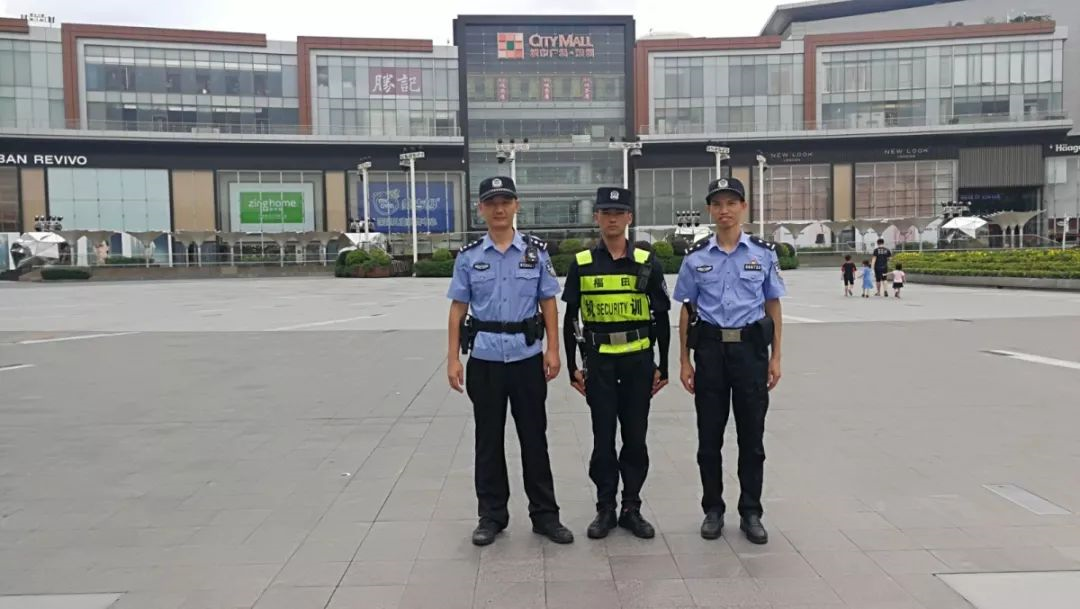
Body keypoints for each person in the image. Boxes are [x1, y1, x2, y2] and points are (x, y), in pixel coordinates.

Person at [446, 176, 574, 547]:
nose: (499, 209)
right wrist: (453, 358)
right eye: (491, 203)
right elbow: (458, 309)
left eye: (505, 202)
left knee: (534, 439)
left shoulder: (535, 252)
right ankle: (491, 516)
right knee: (487, 441)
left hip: (526, 358)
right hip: (485, 360)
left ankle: (545, 515)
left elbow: (548, 302)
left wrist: (553, 350)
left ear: (516, 205)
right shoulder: (470, 257)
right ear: (481, 209)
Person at [673, 177, 785, 545]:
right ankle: (713, 509)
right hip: (710, 353)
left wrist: (776, 357)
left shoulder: (762, 254)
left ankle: (751, 511)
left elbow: (772, 305)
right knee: (709, 438)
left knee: (752, 438)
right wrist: (684, 361)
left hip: (750, 353)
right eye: (718, 204)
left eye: (731, 203)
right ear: (710, 209)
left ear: (743, 207)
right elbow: (687, 310)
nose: (725, 210)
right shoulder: (696, 256)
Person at [562, 187, 672, 540]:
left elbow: (661, 317)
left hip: (638, 363)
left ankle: (631, 507)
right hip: (600, 365)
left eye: (619, 212)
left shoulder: (647, 261)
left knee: (635, 438)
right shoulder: (581, 263)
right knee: (603, 438)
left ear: (629, 218)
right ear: (596, 217)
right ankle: (605, 507)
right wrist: (572, 365)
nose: (612, 218)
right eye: (606, 212)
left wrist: (664, 364)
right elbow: (570, 318)